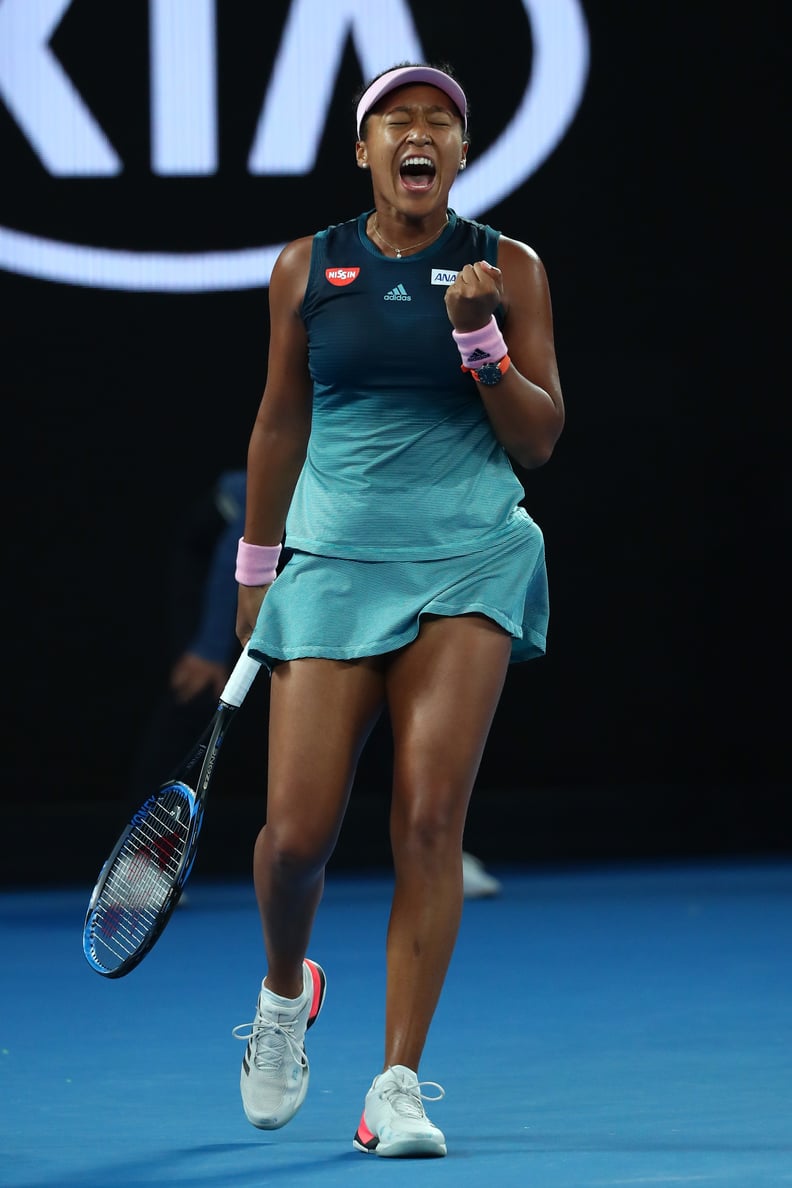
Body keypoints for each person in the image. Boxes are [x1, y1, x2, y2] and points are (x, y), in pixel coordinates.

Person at [231, 62, 564, 1158]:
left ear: (461, 157)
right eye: (396, 123)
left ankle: (399, 1084)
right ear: (364, 151)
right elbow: (280, 425)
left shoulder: (507, 268)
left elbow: (538, 437)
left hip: (469, 556)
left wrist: (482, 344)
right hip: (333, 565)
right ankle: (286, 996)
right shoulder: (305, 266)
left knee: (429, 821)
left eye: (440, 125)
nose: (419, 137)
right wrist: (254, 570)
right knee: (295, 840)